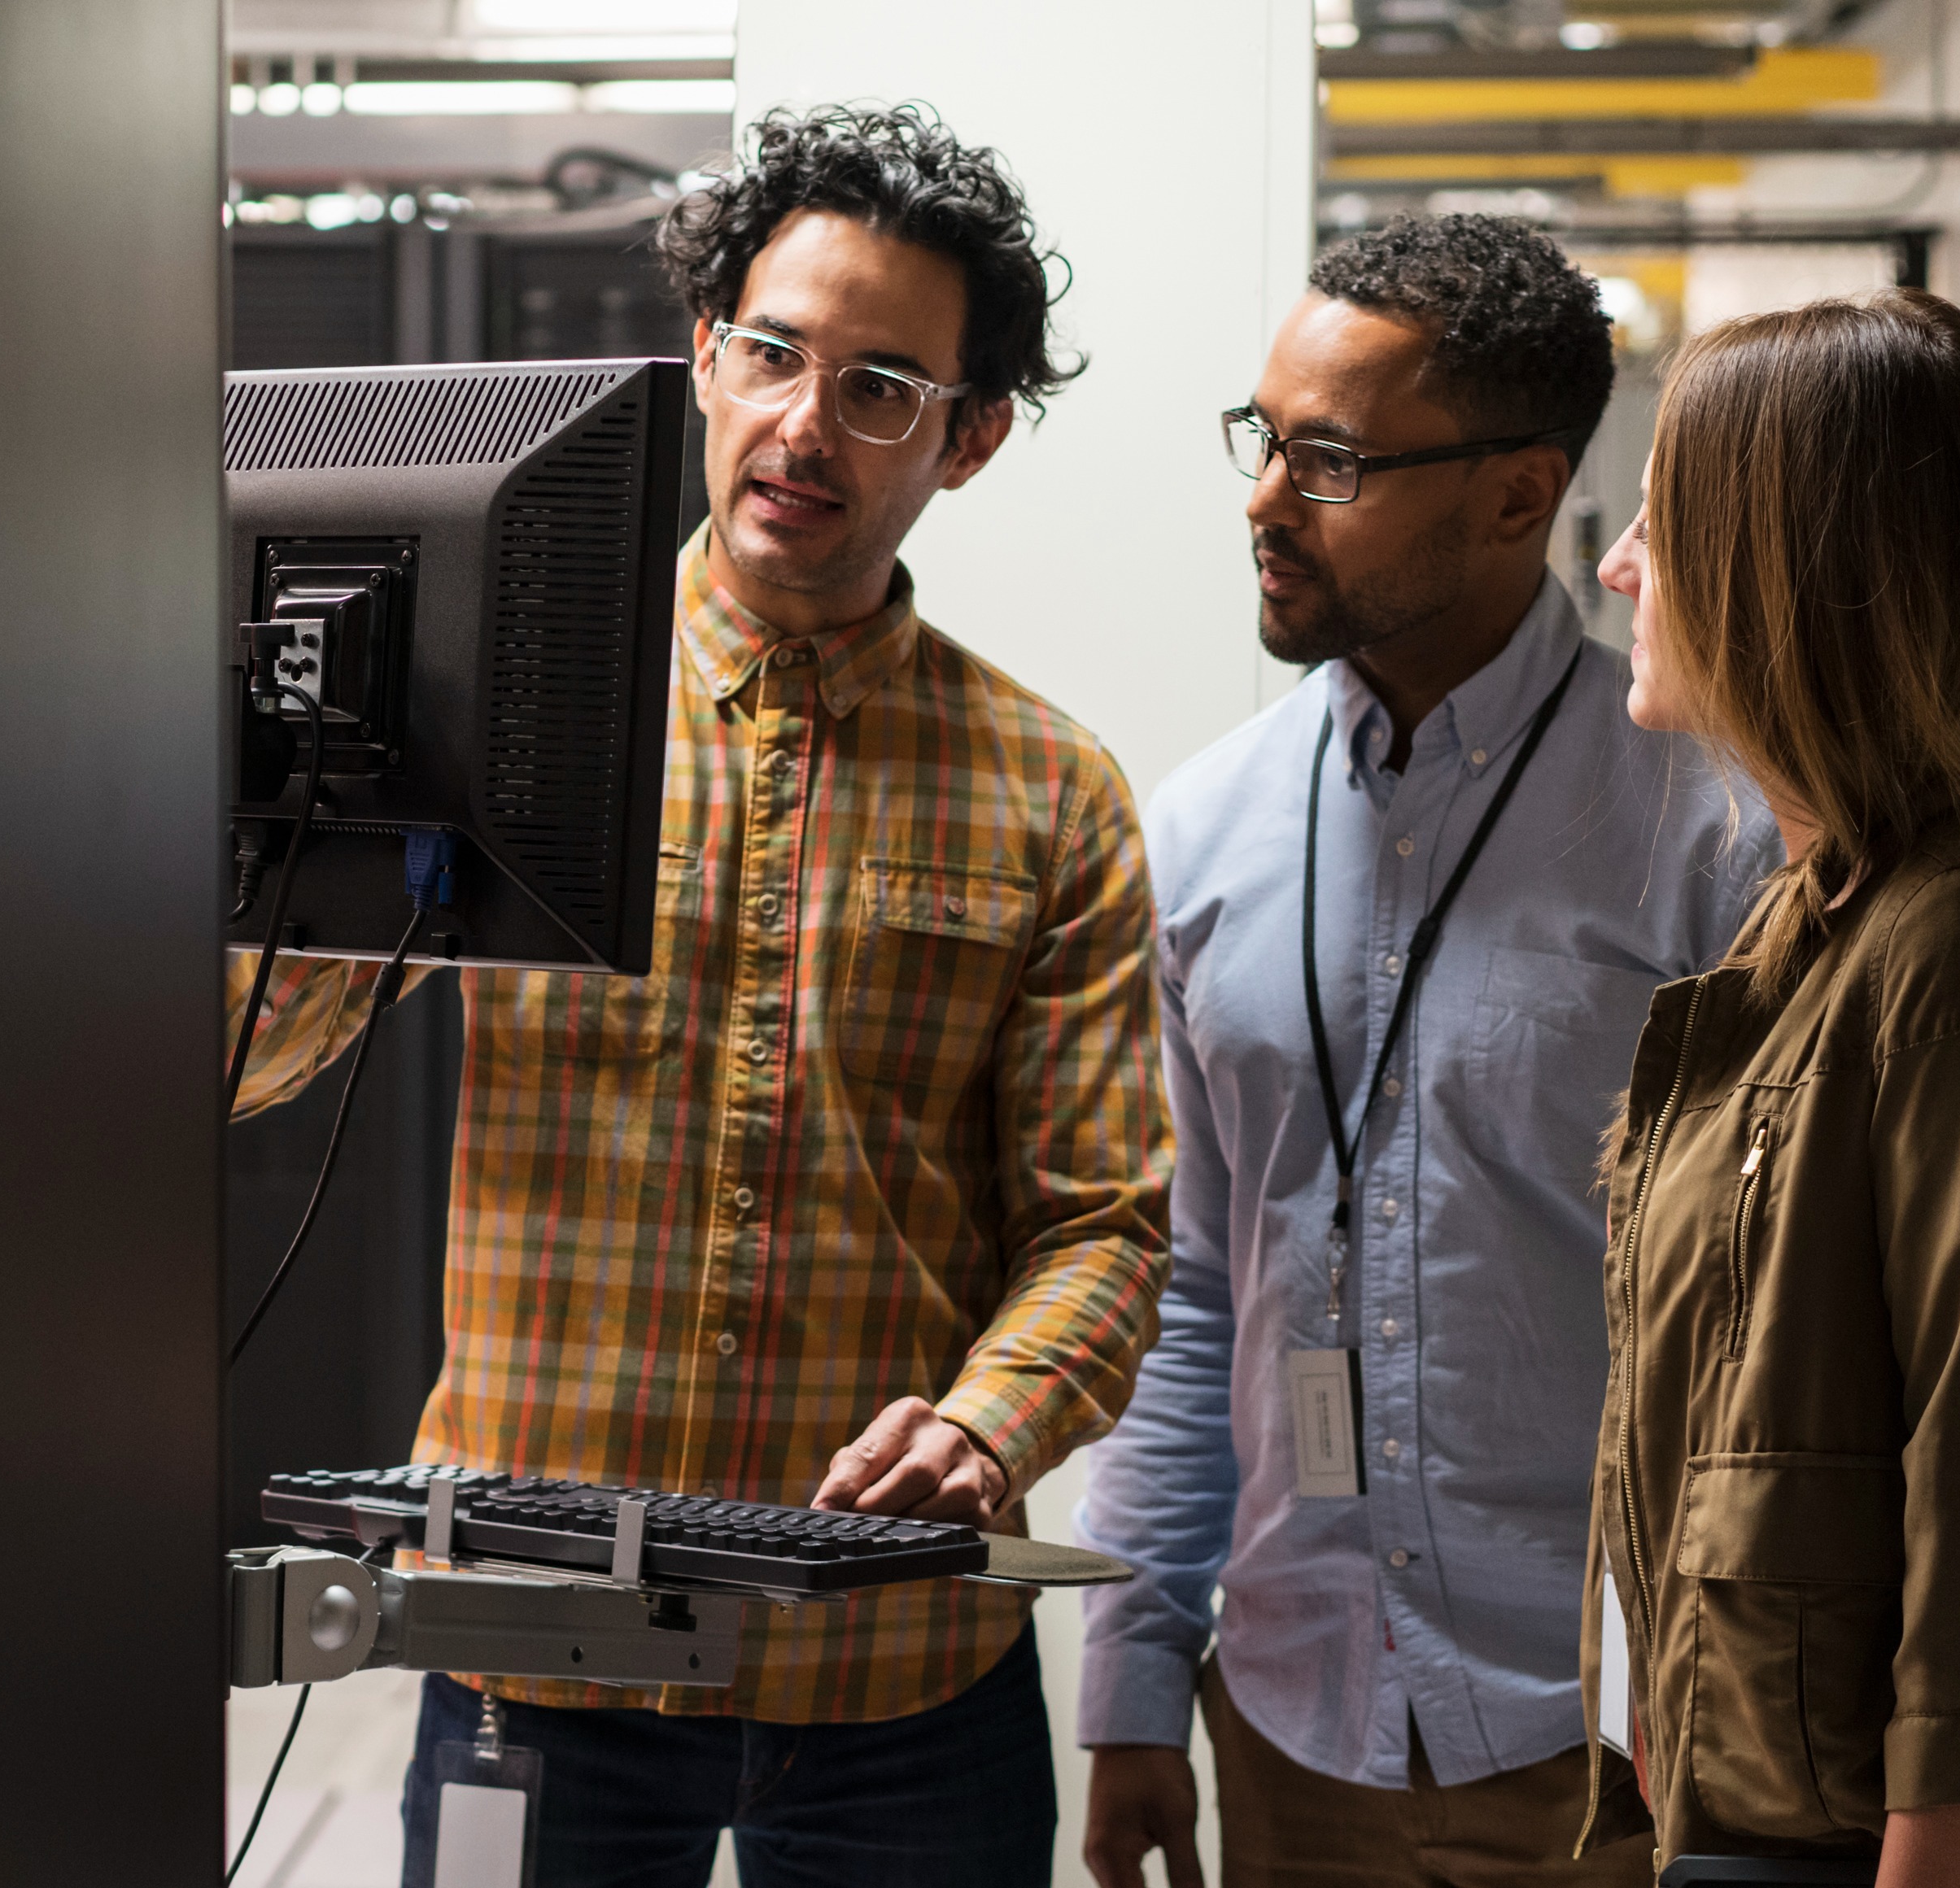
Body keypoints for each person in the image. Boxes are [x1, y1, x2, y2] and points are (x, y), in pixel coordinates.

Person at [227, 103, 1169, 1886]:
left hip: (891, 1662)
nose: (804, 424)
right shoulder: (490, 713)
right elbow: (242, 1072)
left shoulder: (1051, 789)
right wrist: (294, 820)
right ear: (700, 357)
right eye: (770, 354)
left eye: (881, 386)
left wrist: (988, 1422)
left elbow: (1105, 1225)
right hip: (529, 1625)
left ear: (966, 441)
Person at [1076, 215, 1778, 1888]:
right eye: (1262, 440)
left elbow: (1776, 1327)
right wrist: (1125, 1684)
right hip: (1294, 1727)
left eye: (1329, 461)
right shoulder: (1204, 830)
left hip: (1617, 1738)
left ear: (1517, 496)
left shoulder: (1710, 834)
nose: (1262, 500)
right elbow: (1197, 1291)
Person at [1586, 290, 1960, 1887]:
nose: (1614, 571)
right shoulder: (1831, 922)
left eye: (1657, 529)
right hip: (1776, 1830)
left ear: (1780, 576)